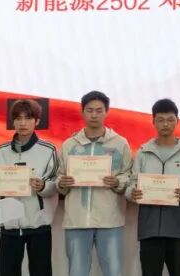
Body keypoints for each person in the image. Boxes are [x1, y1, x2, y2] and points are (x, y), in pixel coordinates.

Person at [56, 90, 133, 276]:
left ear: (107, 112)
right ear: (82, 112)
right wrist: (62, 182)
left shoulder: (120, 143)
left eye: (99, 110)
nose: (94, 115)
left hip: (110, 219)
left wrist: (118, 181)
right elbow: (59, 177)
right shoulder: (69, 144)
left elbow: (128, 174)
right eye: (89, 110)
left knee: (113, 271)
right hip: (77, 220)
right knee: (77, 272)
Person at [0, 98, 59, 276]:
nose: (23, 123)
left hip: (39, 226)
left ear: (37, 121)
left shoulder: (49, 150)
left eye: (28, 118)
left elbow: (56, 184)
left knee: (41, 272)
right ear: (13, 122)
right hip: (9, 227)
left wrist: (43, 186)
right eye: (18, 118)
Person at [127, 98, 180, 276]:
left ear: (177, 121)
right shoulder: (143, 152)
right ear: (153, 121)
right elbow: (132, 182)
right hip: (149, 228)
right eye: (160, 120)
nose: (165, 124)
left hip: (178, 227)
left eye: (170, 119)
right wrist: (131, 192)